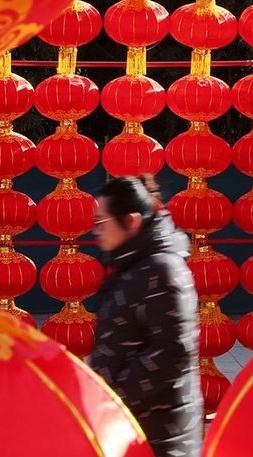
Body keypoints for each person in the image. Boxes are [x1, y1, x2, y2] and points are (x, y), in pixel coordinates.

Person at [88, 176, 202, 457]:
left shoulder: (161, 268)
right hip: (136, 428)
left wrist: (115, 394)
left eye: (102, 222)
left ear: (131, 221)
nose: (96, 231)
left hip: (161, 434)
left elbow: (173, 351)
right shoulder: (132, 263)